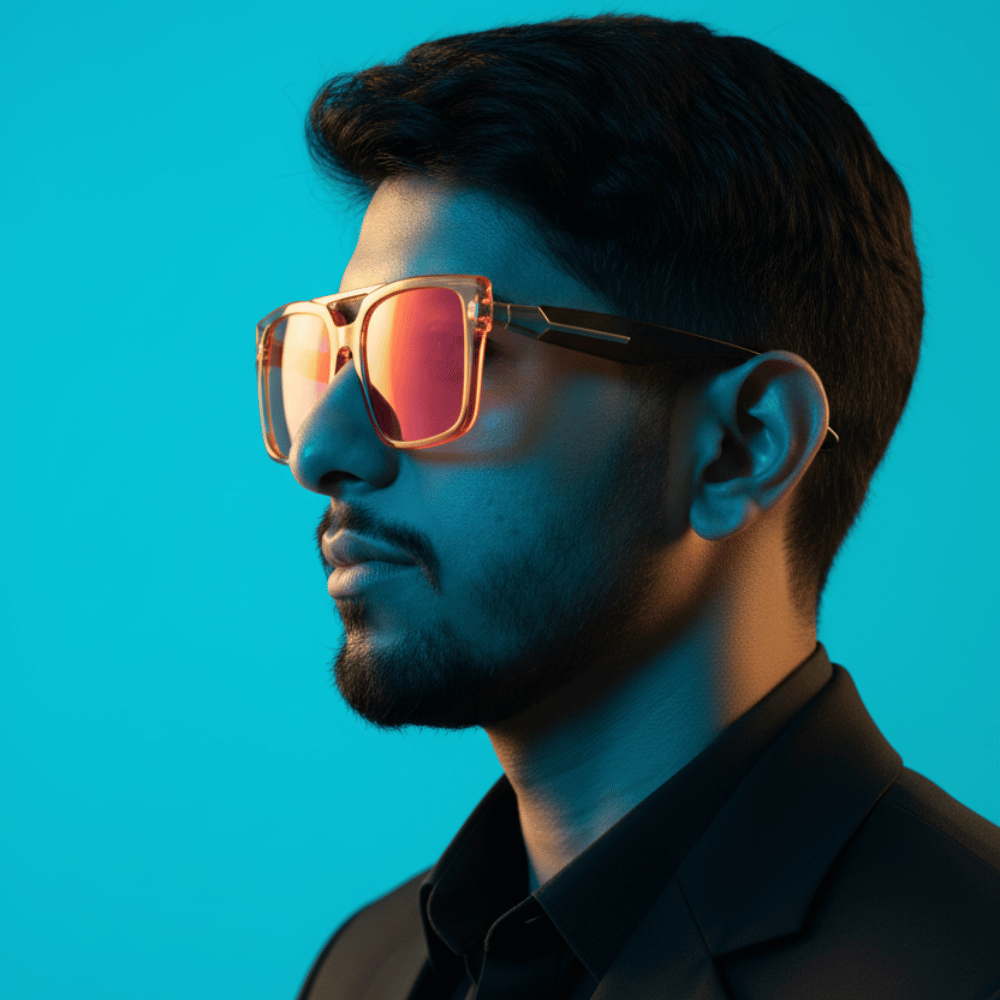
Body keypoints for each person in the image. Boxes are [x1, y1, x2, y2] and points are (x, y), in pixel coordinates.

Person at [253, 14, 1000, 999]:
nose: (322, 452)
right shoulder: (367, 968)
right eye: (331, 355)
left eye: (435, 351)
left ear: (741, 446)